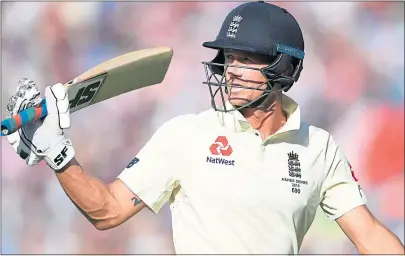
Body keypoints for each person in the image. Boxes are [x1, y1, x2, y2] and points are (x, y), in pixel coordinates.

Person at [5, 1, 404, 254]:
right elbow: (107, 211)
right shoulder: (186, 135)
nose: (231, 71)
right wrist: (58, 153)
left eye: (246, 60)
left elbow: (368, 236)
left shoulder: (319, 147)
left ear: (285, 68)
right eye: (228, 59)